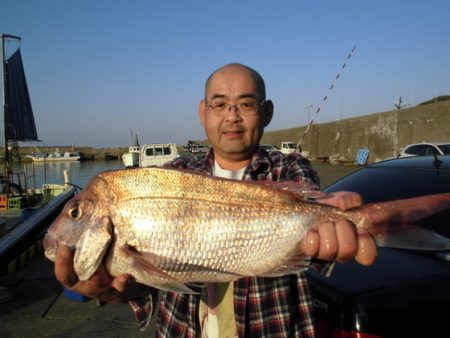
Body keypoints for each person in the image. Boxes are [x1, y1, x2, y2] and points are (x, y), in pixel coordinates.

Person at [54, 63, 377, 337]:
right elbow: (149, 283)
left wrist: (336, 227)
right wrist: (120, 290)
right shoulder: (173, 175)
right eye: (219, 104)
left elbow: (312, 231)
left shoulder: (288, 168)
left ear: (266, 113)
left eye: (246, 105)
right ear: (203, 112)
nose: (232, 117)